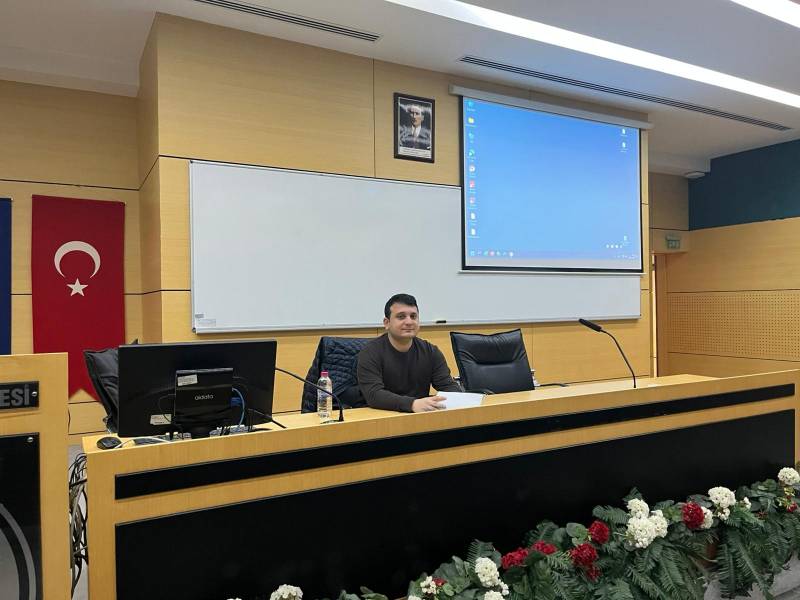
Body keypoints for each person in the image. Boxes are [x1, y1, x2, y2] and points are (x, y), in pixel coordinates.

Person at [357, 293, 461, 412]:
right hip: (383, 416)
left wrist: (456, 398)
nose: (409, 322)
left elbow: (448, 386)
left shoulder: (431, 351)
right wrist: (412, 404)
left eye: (413, 316)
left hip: (420, 416)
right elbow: (373, 395)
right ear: (387, 323)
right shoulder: (370, 352)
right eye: (401, 317)